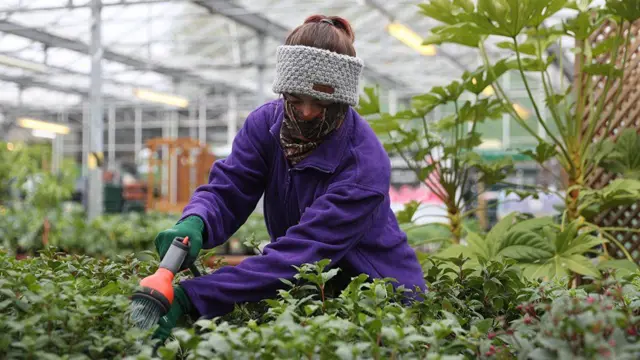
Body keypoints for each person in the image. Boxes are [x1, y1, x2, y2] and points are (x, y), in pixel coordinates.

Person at [152, 14, 427, 341]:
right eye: (295, 100)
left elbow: (300, 257)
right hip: (315, 292)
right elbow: (231, 189)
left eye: (321, 102)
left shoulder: (364, 164)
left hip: (379, 300)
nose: (307, 112)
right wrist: (196, 221)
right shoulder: (265, 125)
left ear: (342, 98)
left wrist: (193, 297)